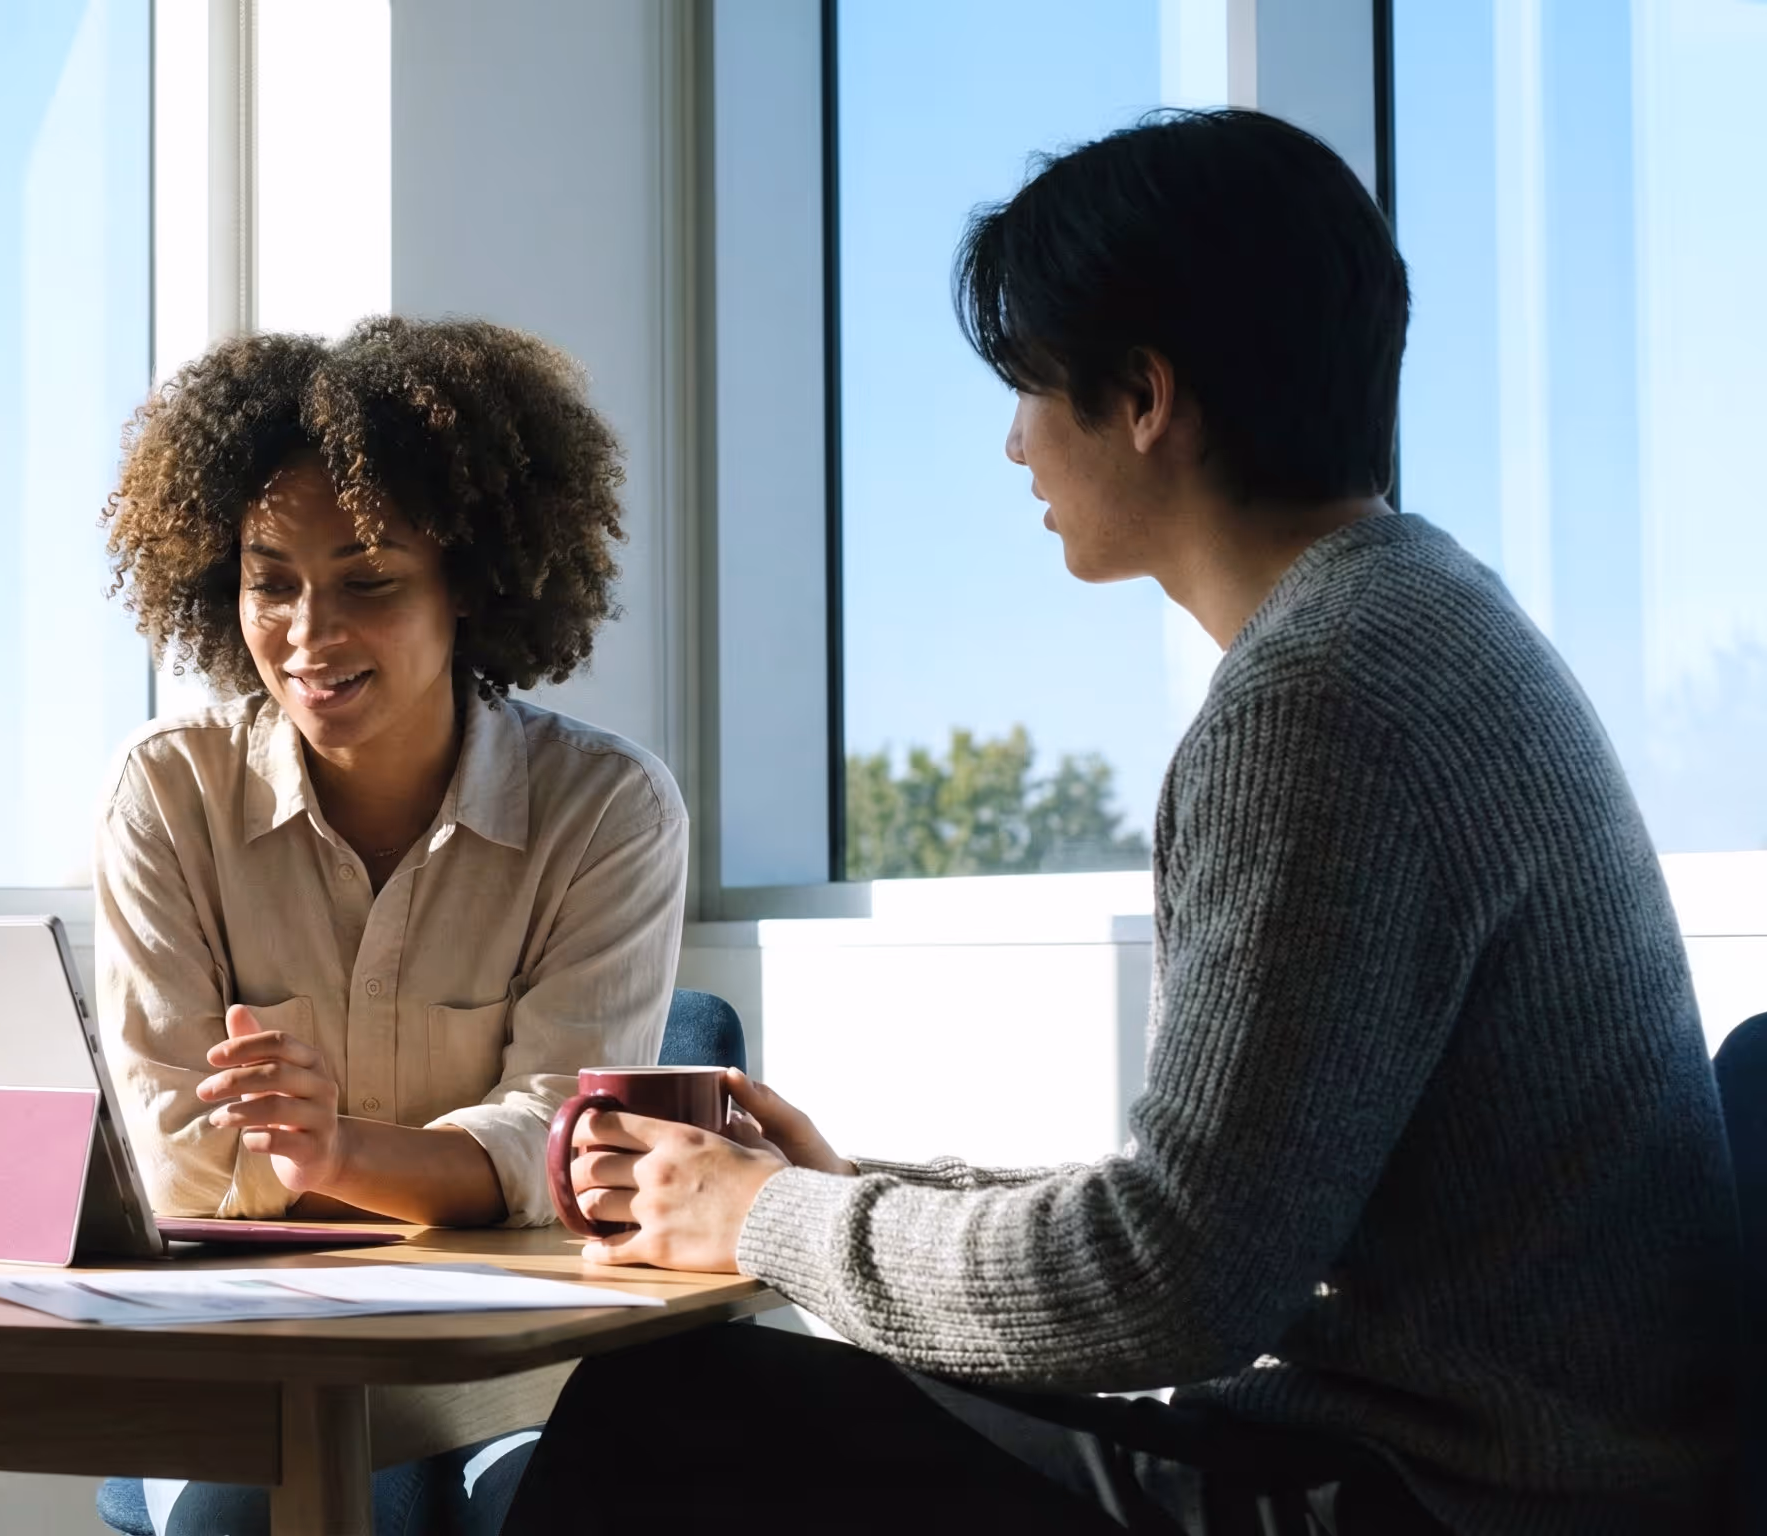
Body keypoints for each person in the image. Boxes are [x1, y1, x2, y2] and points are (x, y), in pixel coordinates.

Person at [511, 109, 1738, 1535]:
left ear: (1145, 398)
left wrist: (771, 1221)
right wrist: (835, 1194)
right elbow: (1221, 1215)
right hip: (1488, 1467)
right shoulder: (1420, 618)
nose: (1015, 439)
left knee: (668, 1416)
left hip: (1445, 1503)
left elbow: (1175, 1281)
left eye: (1030, 385)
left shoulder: (1323, 699)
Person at [92, 316, 687, 1535]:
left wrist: (335, 1156)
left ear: (468, 581)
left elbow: (558, 1155)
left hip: (502, 1380)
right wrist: (411, 1175)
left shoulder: (606, 811)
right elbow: (177, 1168)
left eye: (367, 581)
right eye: (270, 580)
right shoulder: (165, 795)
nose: (308, 635)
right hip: (238, 1367)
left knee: (537, 1508)